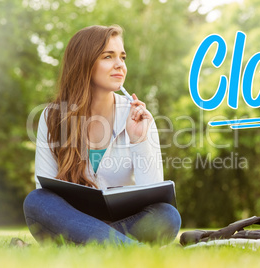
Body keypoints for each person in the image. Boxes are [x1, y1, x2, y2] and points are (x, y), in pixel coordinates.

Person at [23, 25, 181, 246]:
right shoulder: (52, 116)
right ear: (84, 63)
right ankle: (132, 250)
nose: (120, 65)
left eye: (122, 57)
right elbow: (47, 193)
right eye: (108, 56)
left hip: (121, 221)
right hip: (72, 219)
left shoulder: (138, 117)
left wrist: (139, 140)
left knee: (167, 216)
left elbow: (153, 196)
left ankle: (79, 244)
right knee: (37, 201)